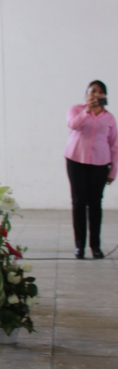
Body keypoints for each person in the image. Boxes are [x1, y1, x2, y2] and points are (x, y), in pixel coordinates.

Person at [65, 80, 118, 259]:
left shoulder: (109, 118)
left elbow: (115, 146)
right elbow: (72, 125)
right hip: (76, 160)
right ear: (87, 93)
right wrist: (87, 112)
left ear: (105, 96)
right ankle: (79, 246)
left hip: (100, 164)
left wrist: (113, 171)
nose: (96, 94)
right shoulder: (76, 110)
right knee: (79, 202)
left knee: (95, 204)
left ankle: (95, 246)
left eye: (100, 91)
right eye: (93, 90)